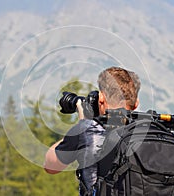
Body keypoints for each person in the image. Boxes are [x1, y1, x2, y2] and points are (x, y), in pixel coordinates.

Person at [44, 66, 141, 195]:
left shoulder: (89, 130)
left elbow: (50, 165)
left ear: (101, 98)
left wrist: (84, 124)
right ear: (136, 104)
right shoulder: (150, 130)